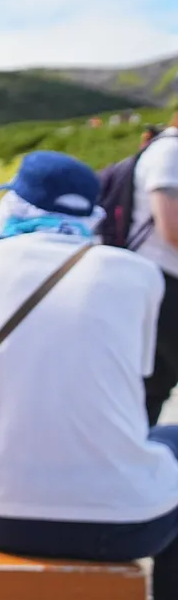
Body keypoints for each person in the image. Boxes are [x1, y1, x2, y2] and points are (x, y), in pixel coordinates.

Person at [0, 151, 178, 600]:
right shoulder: (139, 273)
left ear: (16, 203)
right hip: (126, 527)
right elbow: (140, 369)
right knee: (167, 442)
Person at [130, 116, 178, 423]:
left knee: (154, 382)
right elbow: (171, 229)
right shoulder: (170, 153)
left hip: (160, 281)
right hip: (159, 281)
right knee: (151, 383)